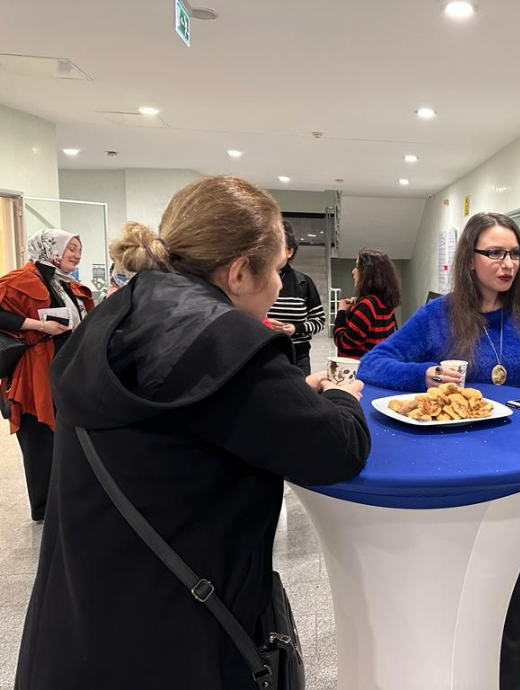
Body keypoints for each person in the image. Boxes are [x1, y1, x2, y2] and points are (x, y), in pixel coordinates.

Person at [16, 176, 371, 690]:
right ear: (239, 273)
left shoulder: (119, 312)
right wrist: (343, 396)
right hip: (183, 632)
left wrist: (290, 390)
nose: (279, 284)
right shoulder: (226, 341)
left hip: (82, 621)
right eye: (274, 270)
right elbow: (339, 449)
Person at [359, 212, 520, 689]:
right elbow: (376, 362)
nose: (507, 264)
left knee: (510, 585)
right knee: (454, 583)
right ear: (470, 259)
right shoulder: (440, 314)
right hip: (458, 463)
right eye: (495, 253)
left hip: (517, 467)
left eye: (515, 253)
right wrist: (424, 375)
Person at [0, 228, 93, 522]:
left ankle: (66, 499)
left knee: (65, 434)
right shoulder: (20, 280)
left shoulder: (65, 284)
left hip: (66, 371)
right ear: (51, 249)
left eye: (78, 250)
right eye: (71, 249)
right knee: (39, 435)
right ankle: (44, 507)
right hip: (35, 371)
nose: (77, 255)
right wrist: (38, 326)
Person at [265, 220, 325, 375]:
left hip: (299, 356)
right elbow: (241, 315)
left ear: (289, 252)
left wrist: (296, 329)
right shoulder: (256, 280)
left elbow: (319, 320)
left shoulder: (303, 282)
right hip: (263, 353)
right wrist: (263, 322)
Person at [334, 247, 400, 358]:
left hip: (358, 371)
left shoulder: (366, 306)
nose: (353, 271)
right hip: (375, 368)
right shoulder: (385, 302)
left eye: (357, 266)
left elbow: (343, 343)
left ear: (367, 273)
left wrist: (341, 311)